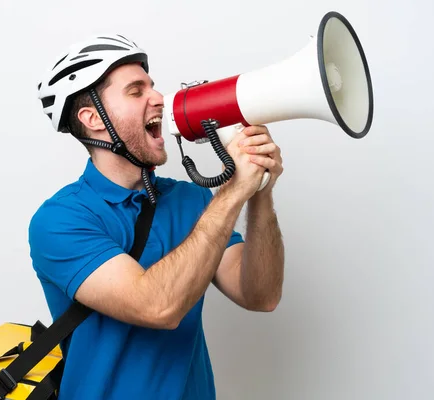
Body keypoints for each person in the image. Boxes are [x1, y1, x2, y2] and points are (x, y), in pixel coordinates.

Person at [29, 34, 285, 400]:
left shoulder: (192, 200)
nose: (159, 99)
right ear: (92, 119)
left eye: (152, 85)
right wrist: (232, 193)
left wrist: (259, 192)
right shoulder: (60, 220)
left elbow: (261, 295)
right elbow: (157, 306)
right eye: (136, 91)